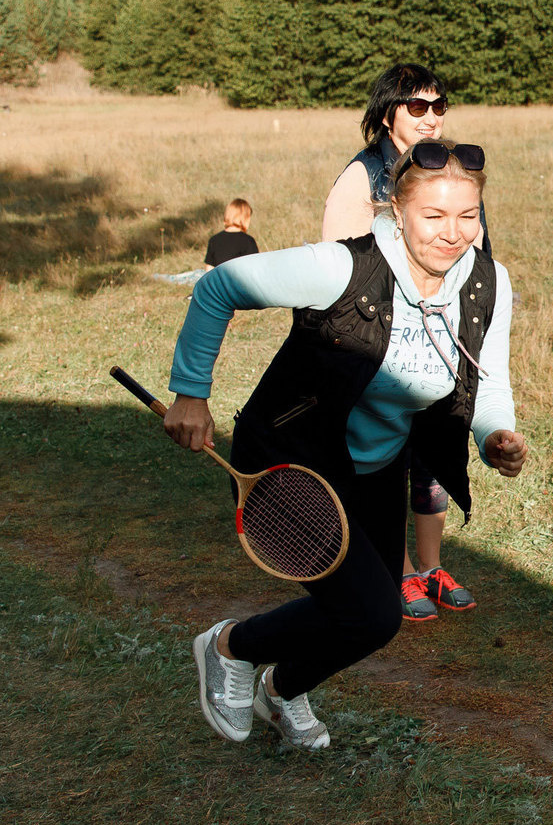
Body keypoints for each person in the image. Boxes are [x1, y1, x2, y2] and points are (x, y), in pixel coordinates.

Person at [160, 141, 526, 749]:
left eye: (468, 216)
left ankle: (281, 691)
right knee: (371, 611)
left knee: (372, 622)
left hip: (376, 467)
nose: (453, 233)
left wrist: (495, 435)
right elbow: (219, 286)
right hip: (288, 457)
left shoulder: (486, 283)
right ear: (397, 210)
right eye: (434, 217)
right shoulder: (341, 266)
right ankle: (230, 646)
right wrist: (191, 394)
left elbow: (487, 379)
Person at [320, 64, 488, 620]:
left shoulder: (452, 168)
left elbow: (473, 249)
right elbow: (339, 264)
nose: (432, 117)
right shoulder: (362, 176)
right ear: (388, 111)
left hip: (443, 334)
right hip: (382, 340)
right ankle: (389, 570)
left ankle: (430, 565)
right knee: (389, 456)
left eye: (439, 106)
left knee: (436, 452)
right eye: (417, 107)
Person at [203, 199, 259, 268]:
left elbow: (209, 270)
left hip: (219, 279)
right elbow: (254, 268)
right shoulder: (248, 241)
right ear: (245, 218)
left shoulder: (214, 240)